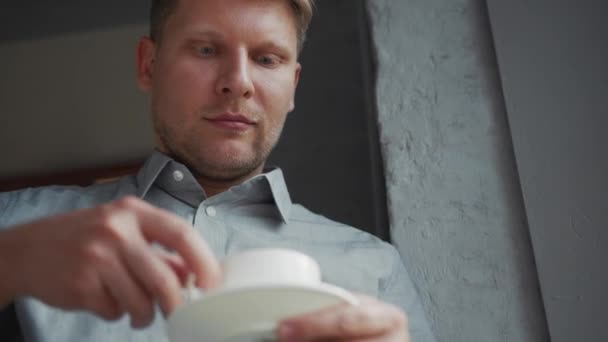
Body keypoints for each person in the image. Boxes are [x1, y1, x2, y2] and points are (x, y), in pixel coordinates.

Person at [0, 0, 435, 341]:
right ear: (148, 65)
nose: (238, 82)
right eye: (207, 49)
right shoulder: (15, 224)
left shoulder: (377, 267)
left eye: (267, 59)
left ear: (293, 87)